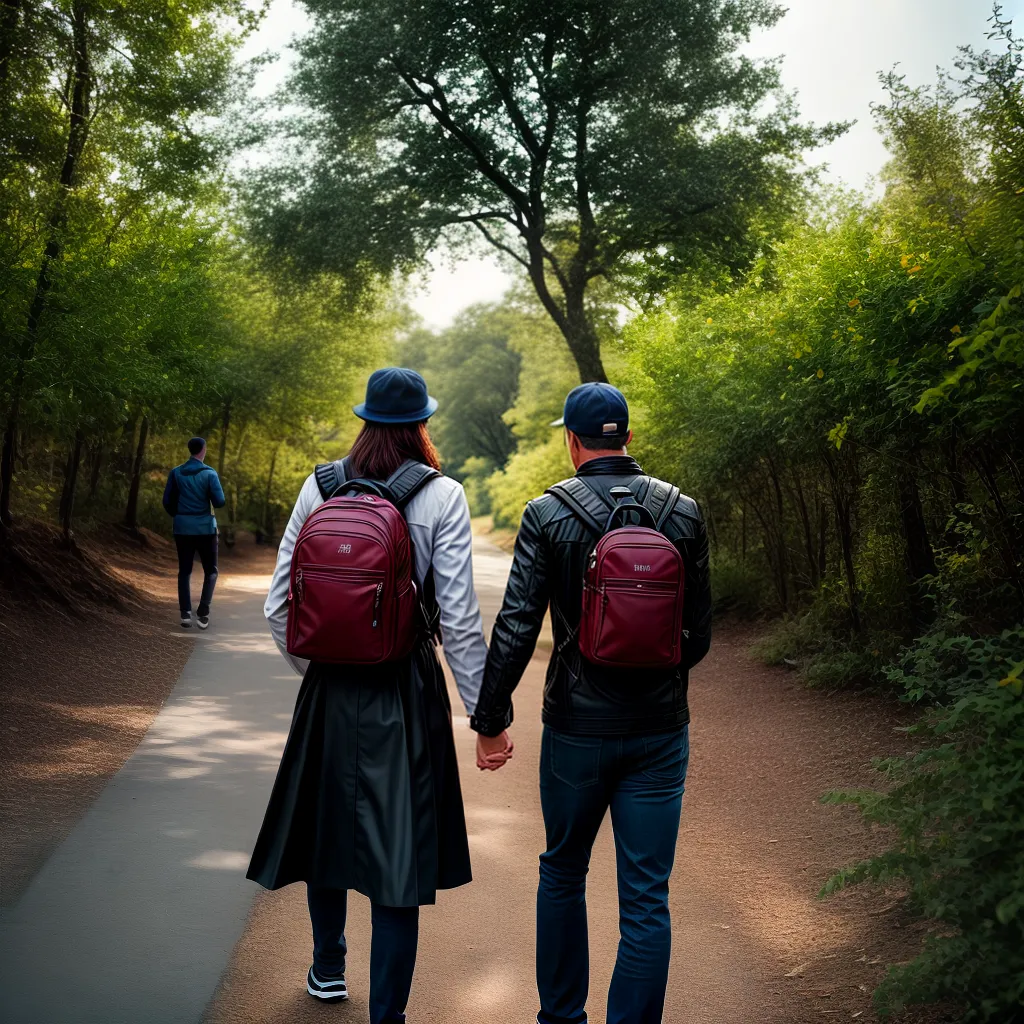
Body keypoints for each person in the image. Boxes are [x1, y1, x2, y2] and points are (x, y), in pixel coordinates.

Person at [247, 367, 496, 1023]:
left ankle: (327, 970)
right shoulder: (442, 495)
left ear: (364, 421)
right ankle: (389, 1014)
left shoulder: (321, 485)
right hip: (405, 688)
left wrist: (321, 669)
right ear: (422, 424)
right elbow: (459, 619)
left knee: (324, 830)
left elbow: (277, 607)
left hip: (328, 689)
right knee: (398, 854)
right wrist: (484, 716)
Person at [471, 382, 712, 1024]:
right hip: (660, 730)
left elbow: (517, 626)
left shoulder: (547, 513)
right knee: (646, 897)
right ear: (627, 437)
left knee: (562, 873)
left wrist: (491, 720)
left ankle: (561, 1018)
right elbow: (698, 638)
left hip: (576, 729)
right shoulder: (683, 512)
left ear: (572, 442)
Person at [162, 436, 226, 630]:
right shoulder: (210, 474)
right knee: (211, 571)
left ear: (190, 450)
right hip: (206, 529)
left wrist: (180, 516)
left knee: (185, 571)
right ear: (203, 450)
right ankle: (203, 613)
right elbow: (219, 502)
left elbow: (167, 501)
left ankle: (185, 614)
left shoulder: (176, 473)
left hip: (182, 528)